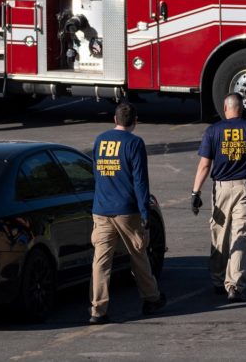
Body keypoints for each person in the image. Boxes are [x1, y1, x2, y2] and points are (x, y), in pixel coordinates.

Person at [190, 93, 246, 303]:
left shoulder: (213, 131)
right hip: (245, 187)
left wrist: (195, 192)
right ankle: (234, 285)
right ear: (242, 108)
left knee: (219, 234)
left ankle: (218, 280)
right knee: (241, 235)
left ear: (226, 108)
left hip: (221, 189)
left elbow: (204, 165)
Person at [89, 102, 166, 324]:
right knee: (139, 255)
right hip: (126, 210)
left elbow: (96, 171)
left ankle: (98, 309)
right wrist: (145, 212)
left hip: (102, 210)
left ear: (114, 119)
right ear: (135, 122)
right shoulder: (135, 143)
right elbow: (140, 181)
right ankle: (151, 298)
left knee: (101, 262)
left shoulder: (100, 140)